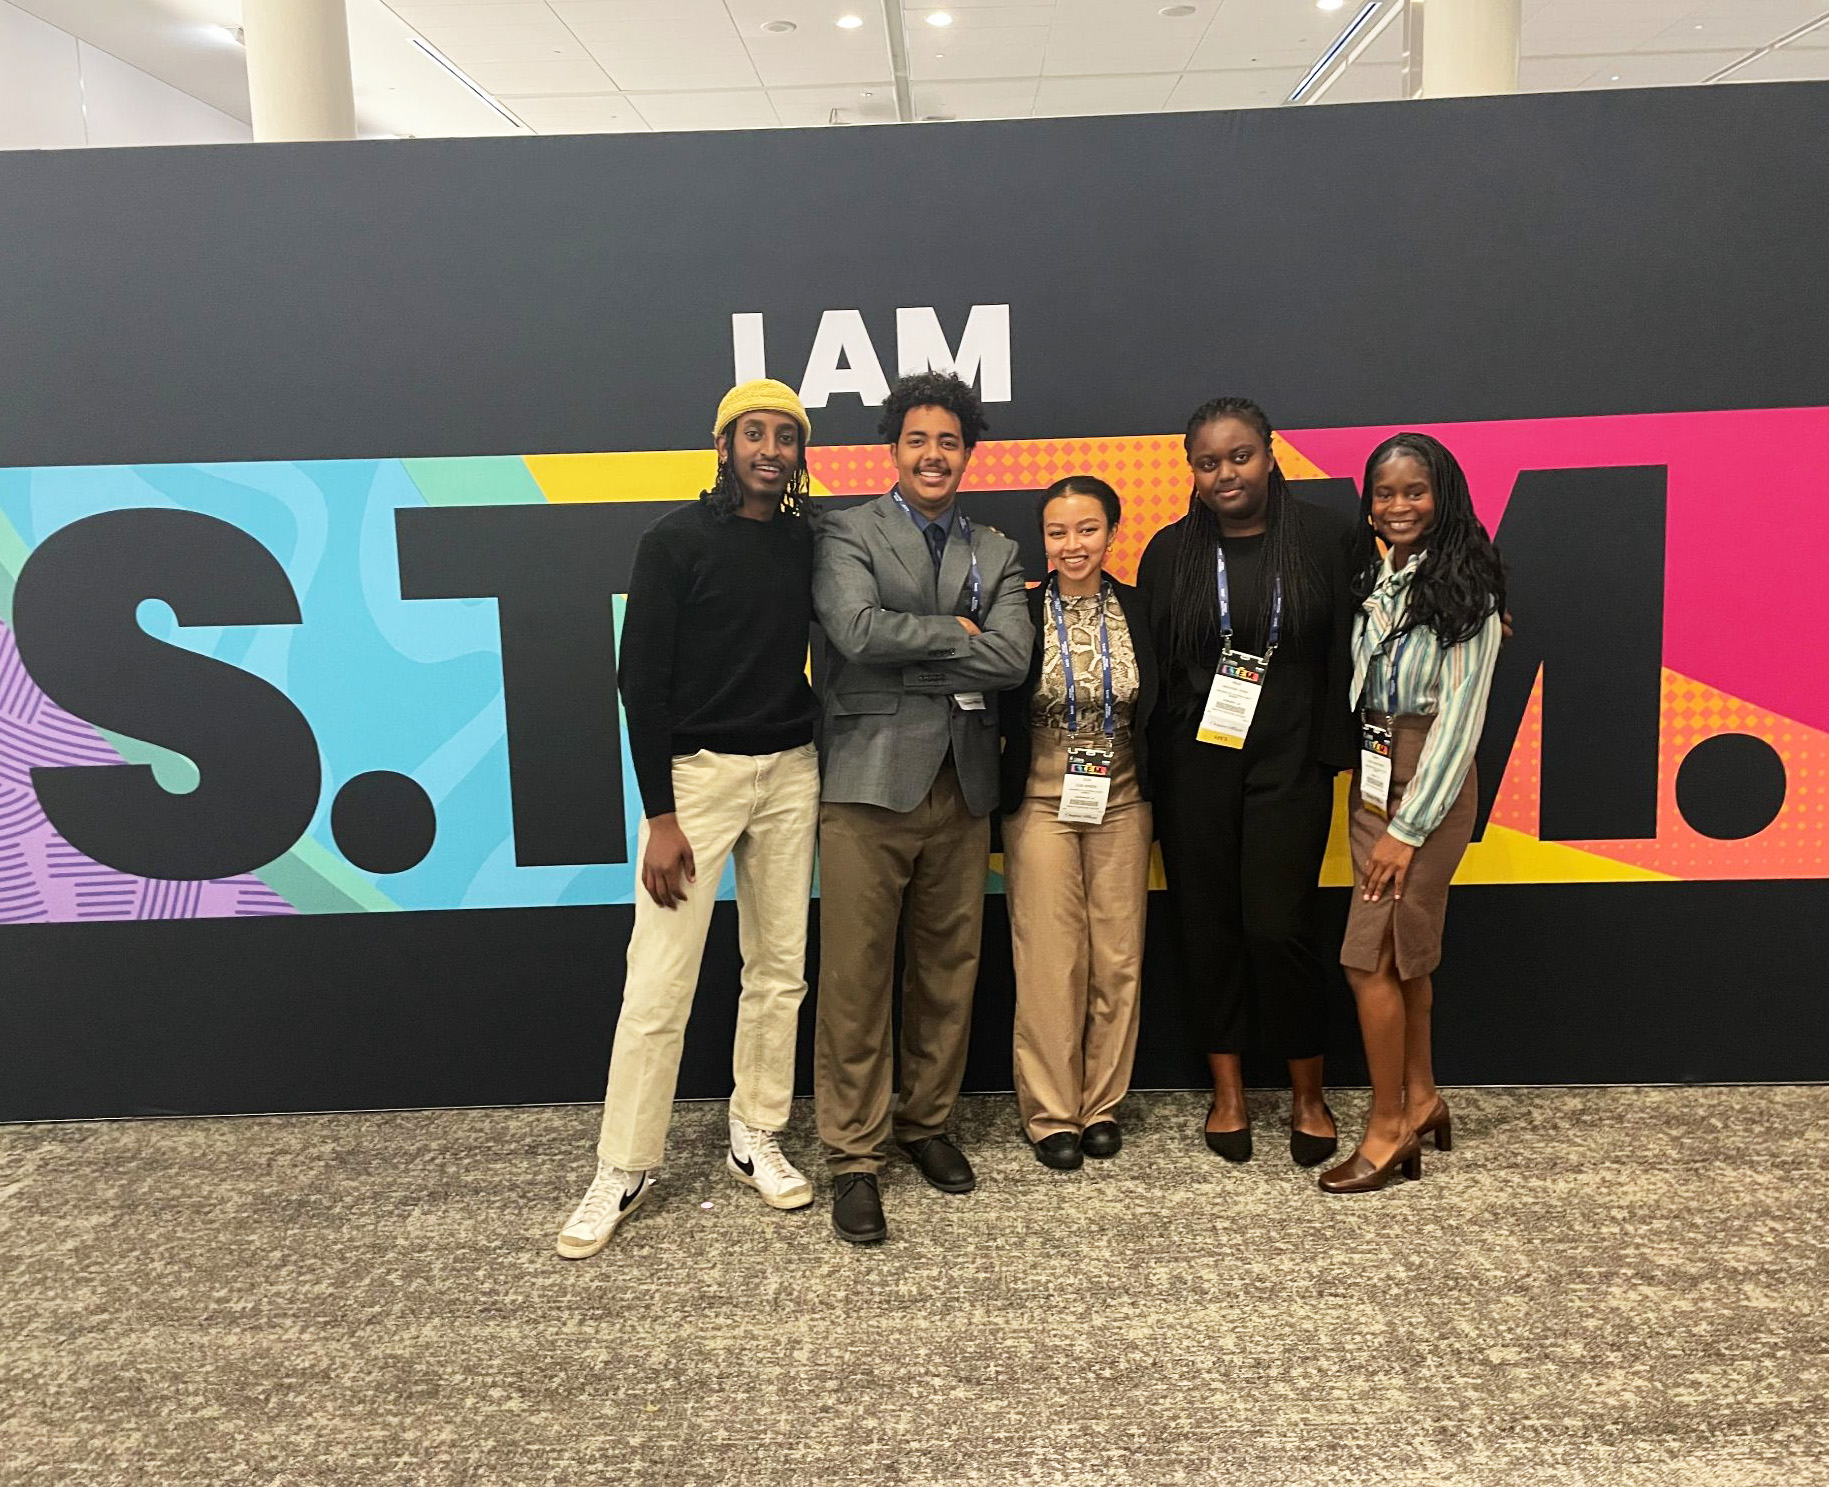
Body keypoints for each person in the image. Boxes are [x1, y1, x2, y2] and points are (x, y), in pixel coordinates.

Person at [557, 379, 823, 1259]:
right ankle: (623, 1165)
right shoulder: (671, 541)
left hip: (791, 773)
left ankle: (757, 1133)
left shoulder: (806, 541)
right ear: (723, 444)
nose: (770, 450)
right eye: (755, 433)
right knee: (658, 983)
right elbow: (640, 681)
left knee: (778, 970)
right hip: (695, 785)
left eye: (785, 436)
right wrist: (660, 814)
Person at [812, 370, 1033, 1244]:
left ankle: (925, 1124)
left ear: (966, 453)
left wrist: (930, 654)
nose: (933, 454)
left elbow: (1012, 660)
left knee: (947, 972)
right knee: (856, 980)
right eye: (917, 439)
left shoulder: (999, 548)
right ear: (892, 449)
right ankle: (853, 1156)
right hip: (867, 785)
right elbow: (854, 632)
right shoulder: (845, 530)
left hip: (964, 784)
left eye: (948, 441)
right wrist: (958, 640)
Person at [1137, 396, 1356, 1168]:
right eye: (1207, 461)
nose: (1224, 473)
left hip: (1290, 761)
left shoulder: (1328, 538)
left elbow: (1365, 633)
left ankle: (1306, 1092)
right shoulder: (1168, 553)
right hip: (1194, 767)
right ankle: (1226, 1091)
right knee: (1206, 924)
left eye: (1239, 456)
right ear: (1190, 470)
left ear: (1269, 455)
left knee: (1278, 924)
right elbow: (1156, 673)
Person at [1320, 432, 1505, 1194]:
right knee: (1405, 951)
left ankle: (1389, 1124)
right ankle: (1423, 1096)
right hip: (1371, 777)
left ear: (1443, 495)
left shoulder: (1469, 591)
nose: (1398, 506)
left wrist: (1405, 827)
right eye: (1384, 493)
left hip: (1427, 785)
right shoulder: (1375, 576)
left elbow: (1460, 723)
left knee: (1366, 957)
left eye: (1414, 491)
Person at [998, 477, 1158, 1170]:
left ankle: (1100, 1105)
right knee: (1048, 959)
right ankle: (1050, 1113)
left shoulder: (1141, 609)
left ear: (1112, 532)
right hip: (1038, 800)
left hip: (1122, 797)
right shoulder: (1019, 612)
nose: (1073, 545)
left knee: (1117, 956)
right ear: (1044, 540)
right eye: (1058, 532)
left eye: (1087, 529)